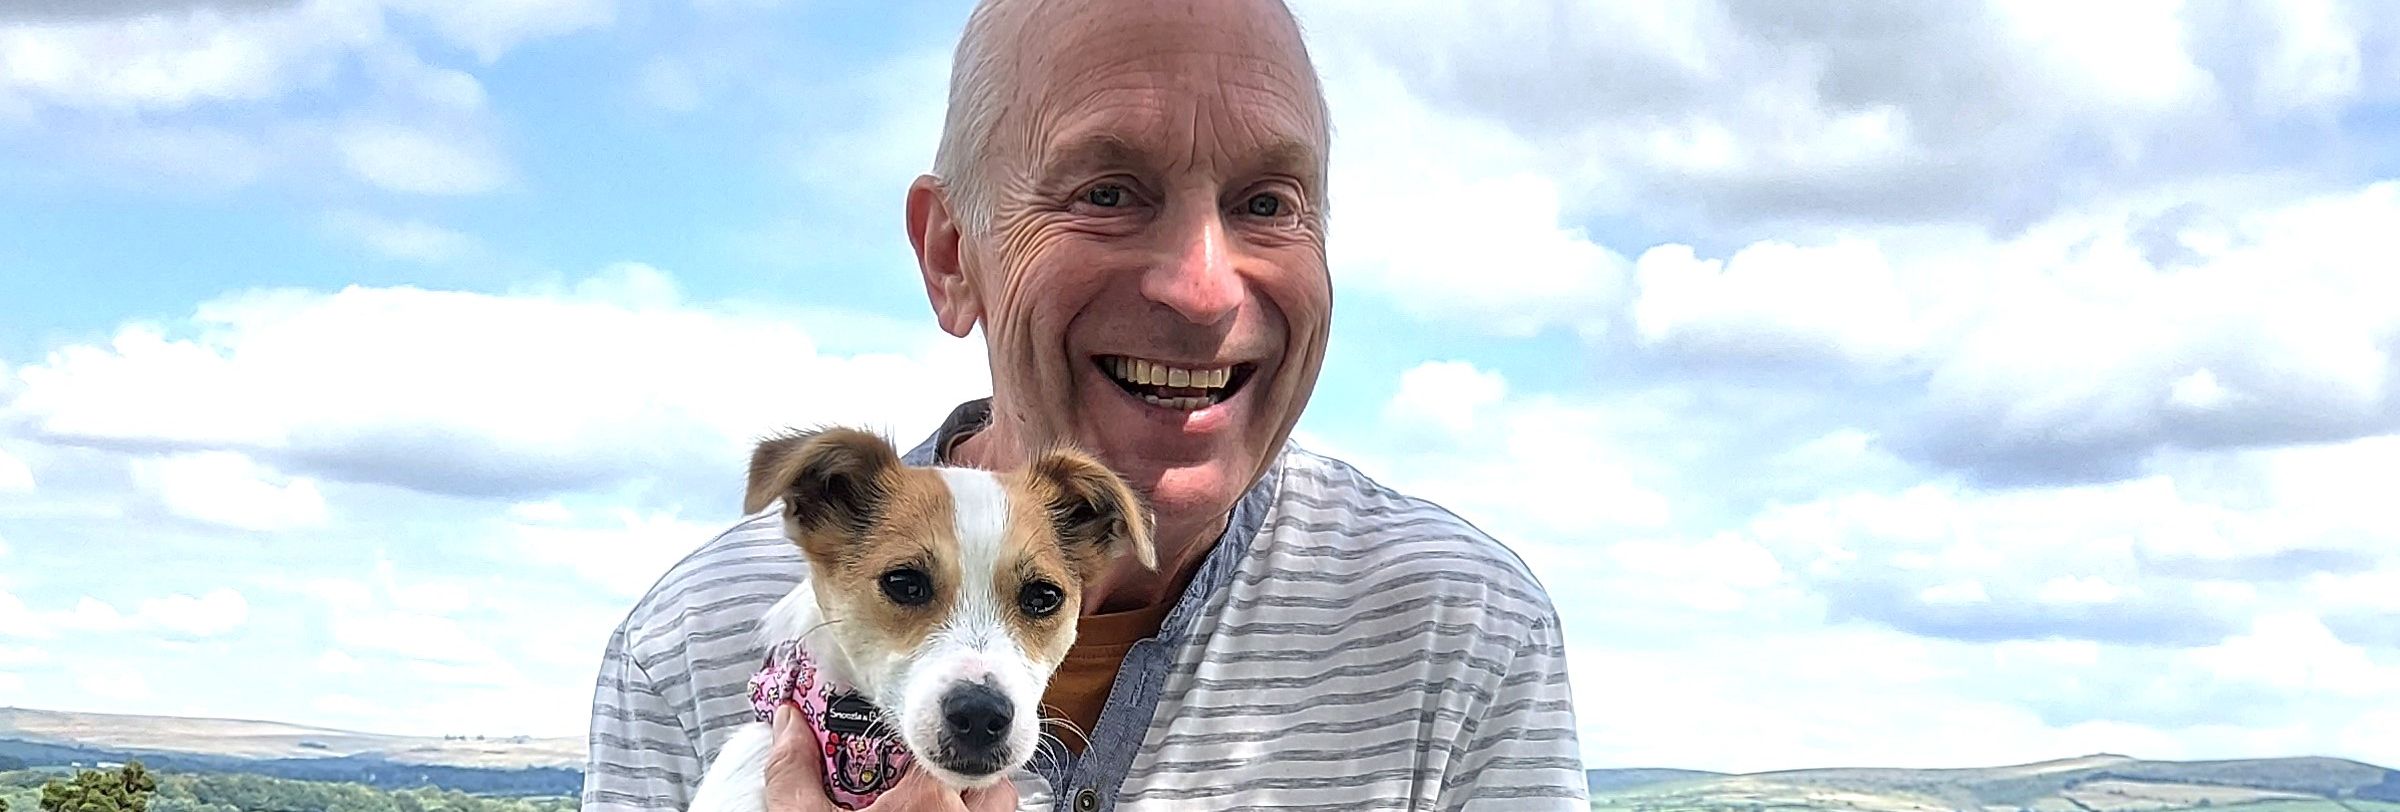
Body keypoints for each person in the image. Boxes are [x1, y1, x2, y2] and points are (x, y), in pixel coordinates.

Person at [579, 0, 1586, 809]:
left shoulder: (1465, 630)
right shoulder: (686, 650)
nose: (1203, 290)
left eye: (1268, 203)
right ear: (950, 255)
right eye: (1107, 192)